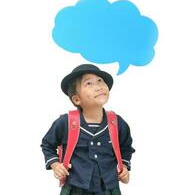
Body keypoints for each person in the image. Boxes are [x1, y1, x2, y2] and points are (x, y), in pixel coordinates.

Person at [41, 64, 135, 195]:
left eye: (100, 81)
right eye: (89, 83)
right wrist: (55, 165)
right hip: (75, 188)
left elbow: (126, 146)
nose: (98, 86)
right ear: (76, 99)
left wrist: (124, 167)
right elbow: (47, 144)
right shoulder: (66, 122)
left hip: (108, 188)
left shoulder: (117, 122)